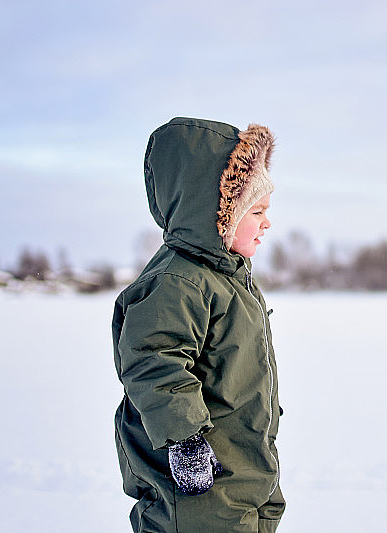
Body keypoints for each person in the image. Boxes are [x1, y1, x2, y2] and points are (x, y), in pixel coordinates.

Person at [112, 117, 285, 532]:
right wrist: (185, 441)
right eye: (256, 210)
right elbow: (153, 359)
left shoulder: (228, 278)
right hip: (198, 481)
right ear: (217, 212)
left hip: (242, 467)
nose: (267, 223)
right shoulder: (179, 280)